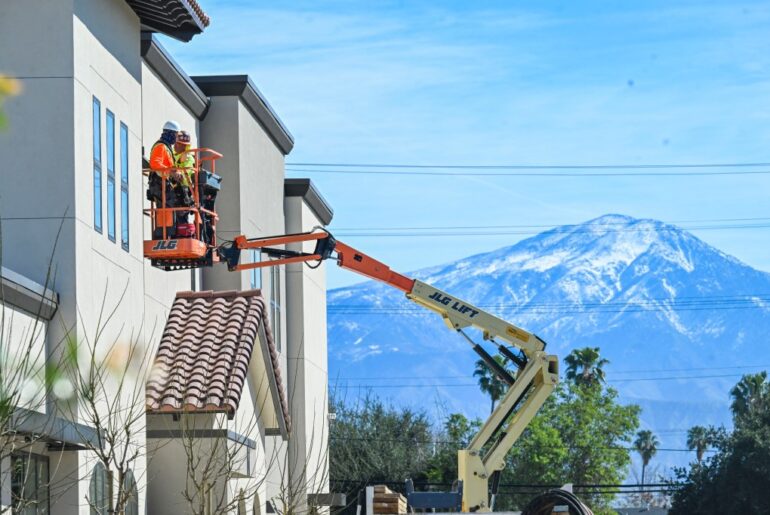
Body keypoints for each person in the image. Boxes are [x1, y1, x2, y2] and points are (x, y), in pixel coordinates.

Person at [147, 121, 180, 238]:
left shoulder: (167, 148)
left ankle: (167, 234)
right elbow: (155, 163)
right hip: (158, 183)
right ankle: (163, 235)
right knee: (166, 209)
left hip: (163, 183)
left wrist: (175, 173)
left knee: (168, 209)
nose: (176, 138)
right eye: (176, 135)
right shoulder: (161, 146)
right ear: (170, 133)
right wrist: (171, 171)